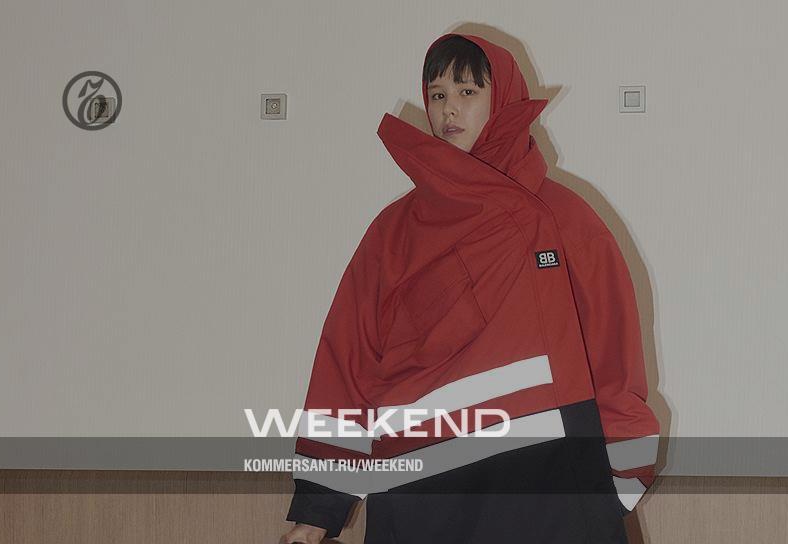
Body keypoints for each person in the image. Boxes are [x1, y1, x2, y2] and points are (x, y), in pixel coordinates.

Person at [279, 33, 660, 544]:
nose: (448, 109)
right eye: (437, 95)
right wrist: (317, 509)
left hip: (549, 496)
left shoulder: (565, 219)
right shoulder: (394, 232)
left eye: (467, 92)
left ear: (502, 101)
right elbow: (347, 365)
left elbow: (614, 353)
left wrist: (619, 483)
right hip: (423, 495)